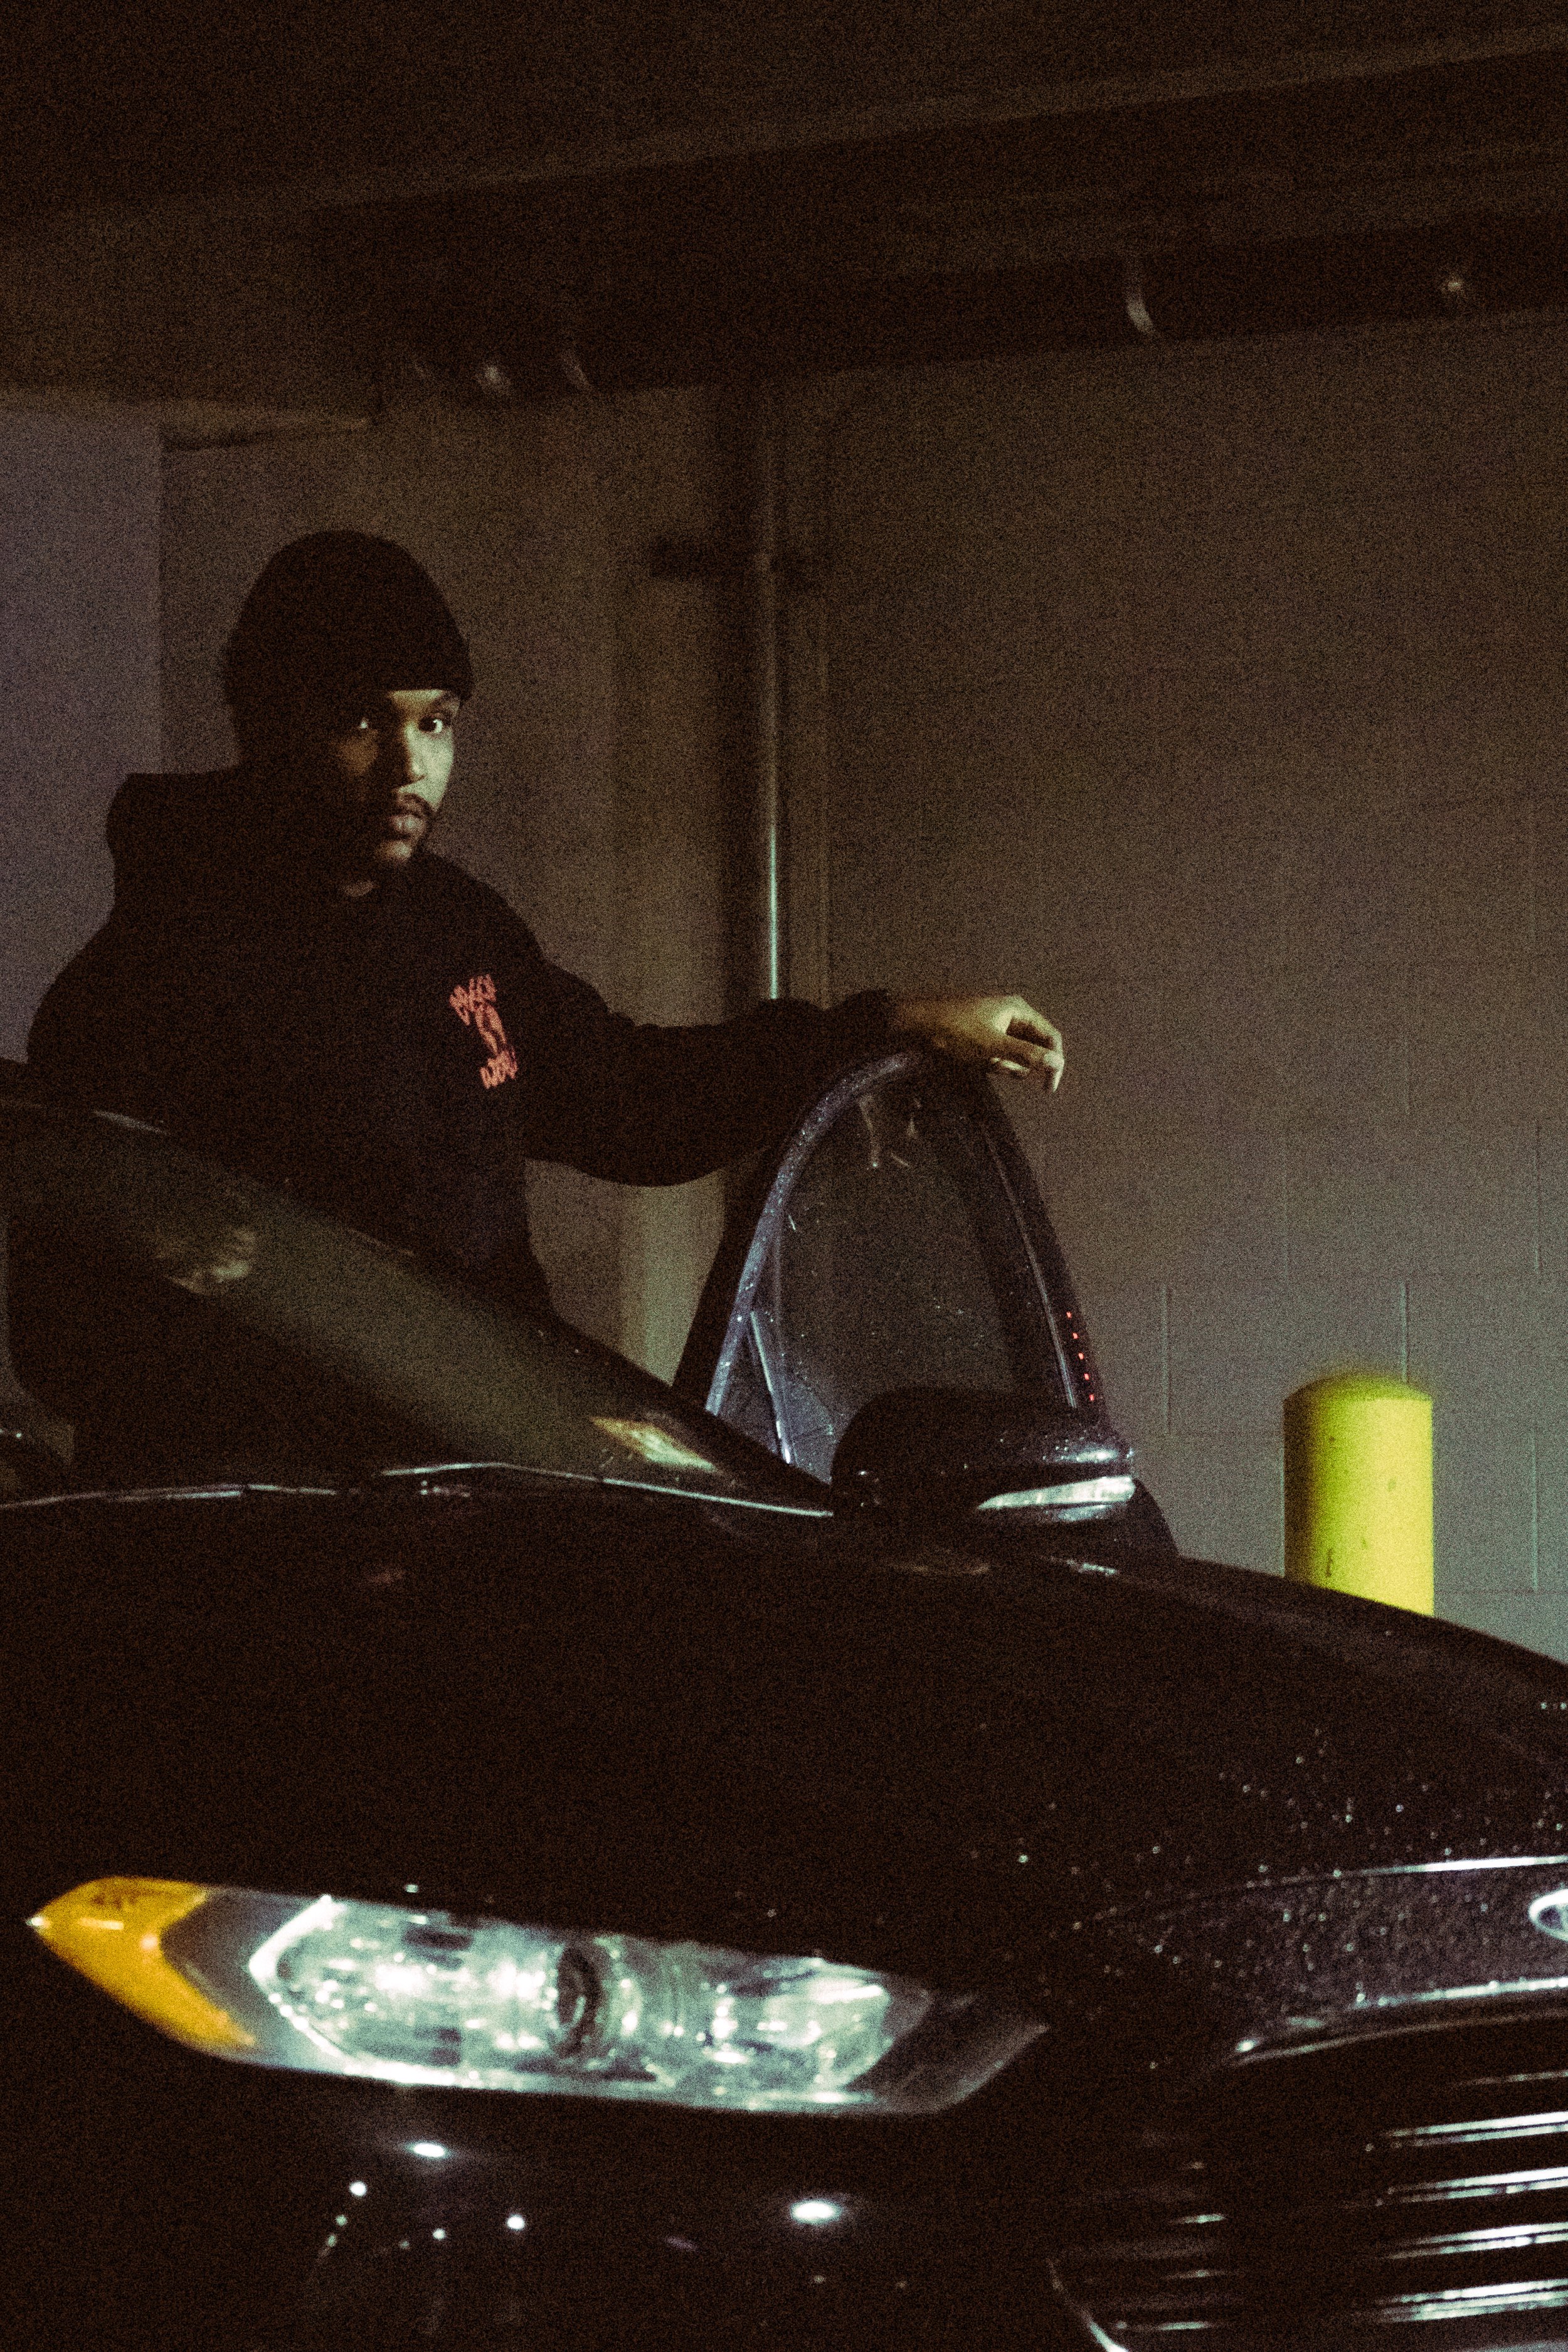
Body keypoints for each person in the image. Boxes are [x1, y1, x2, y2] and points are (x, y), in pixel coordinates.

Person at [26, 533, 1064, 1329]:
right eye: (362, 722)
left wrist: (887, 1026)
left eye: (435, 722)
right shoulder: (144, 987)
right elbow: (73, 1337)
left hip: (477, 1491)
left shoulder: (456, 929)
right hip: (292, 1545)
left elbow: (630, 1099)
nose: (409, 766)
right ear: (269, 727)